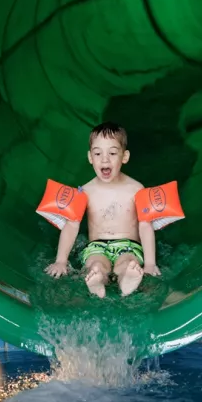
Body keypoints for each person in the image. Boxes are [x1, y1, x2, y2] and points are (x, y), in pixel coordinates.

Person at [44, 122, 161, 299]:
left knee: (128, 263)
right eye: (98, 153)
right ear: (90, 157)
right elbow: (71, 225)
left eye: (112, 153)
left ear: (125, 156)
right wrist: (61, 260)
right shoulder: (84, 191)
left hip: (128, 245)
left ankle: (127, 281)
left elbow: (145, 226)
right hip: (96, 247)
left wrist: (150, 264)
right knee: (96, 264)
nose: (105, 159)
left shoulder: (137, 189)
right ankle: (97, 281)